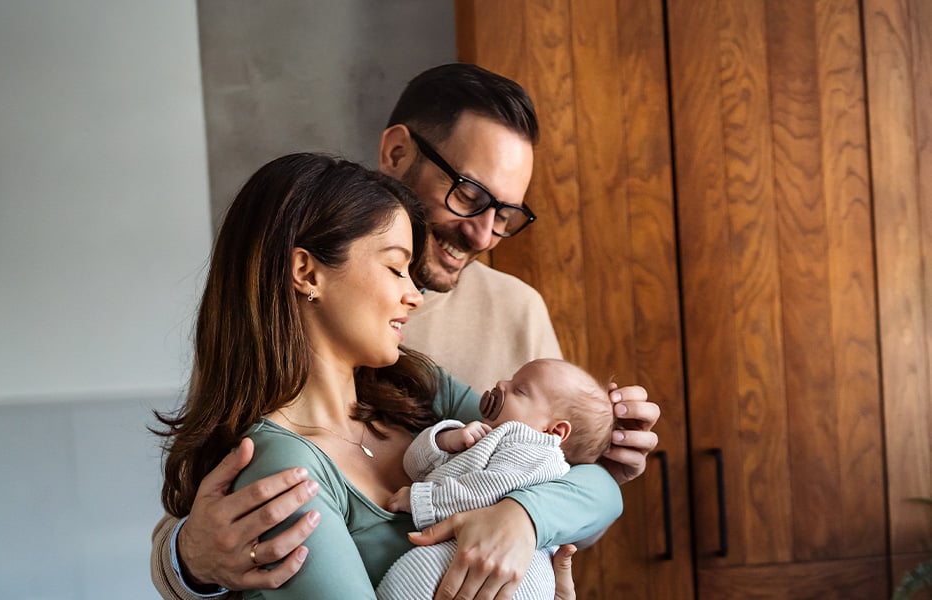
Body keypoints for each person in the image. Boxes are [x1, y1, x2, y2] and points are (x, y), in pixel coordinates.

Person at [151, 63, 661, 598]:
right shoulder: (282, 445)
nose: (484, 234)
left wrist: (526, 513)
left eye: (506, 215)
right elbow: (208, 515)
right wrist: (189, 558)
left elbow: (585, 484)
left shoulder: (422, 376)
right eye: (469, 195)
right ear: (397, 152)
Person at [376, 358, 613, 600]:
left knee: (412, 577)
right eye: (510, 380)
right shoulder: (491, 437)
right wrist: (444, 440)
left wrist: (421, 500)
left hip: (520, 579)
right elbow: (414, 467)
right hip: (483, 563)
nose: (501, 384)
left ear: (553, 430)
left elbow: (482, 492)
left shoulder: (536, 451)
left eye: (519, 389)